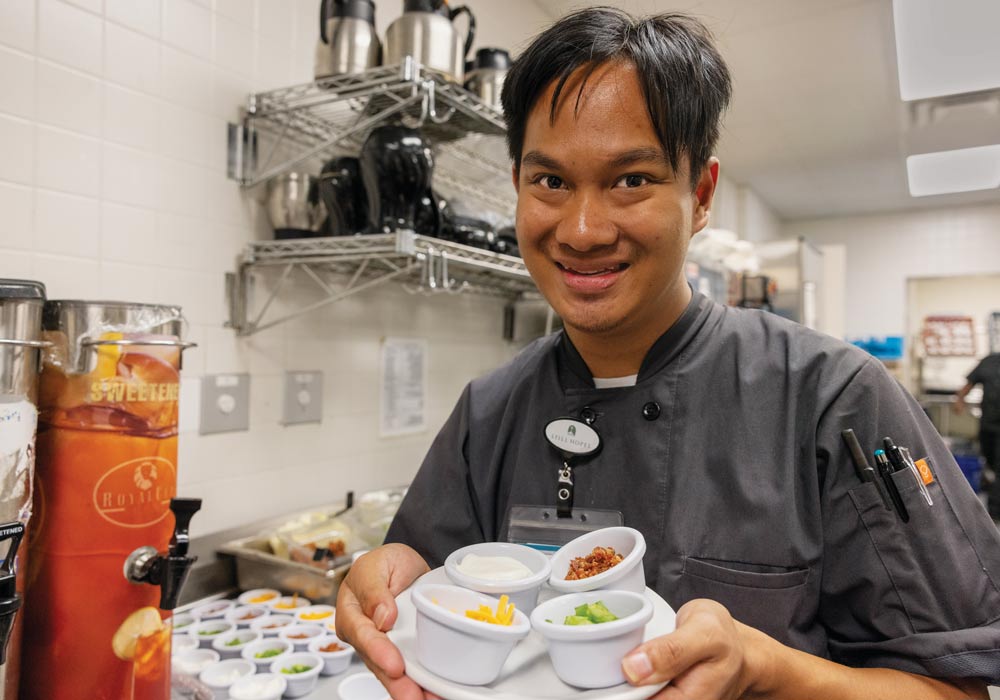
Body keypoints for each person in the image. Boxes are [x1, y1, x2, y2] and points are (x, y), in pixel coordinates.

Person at [336, 8, 1000, 699]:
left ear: (701, 193)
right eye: (551, 182)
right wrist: (392, 574)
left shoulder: (830, 397)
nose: (583, 229)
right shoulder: (491, 410)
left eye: (631, 180)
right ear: (518, 187)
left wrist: (769, 670)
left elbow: (953, 690)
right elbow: (427, 586)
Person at [954, 351, 1000, 520]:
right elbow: (968, 384)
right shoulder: (990, 361)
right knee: (990, 461)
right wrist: (960, 400)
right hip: (988, 425)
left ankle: (994, 512)